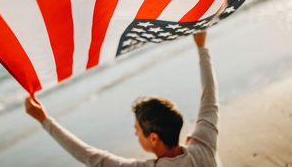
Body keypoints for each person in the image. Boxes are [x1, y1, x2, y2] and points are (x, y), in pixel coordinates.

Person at [25, 31, 219, 166]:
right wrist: (201, 47)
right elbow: (209, 97)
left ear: (153, 138)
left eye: (137, 130)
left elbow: (90, 157)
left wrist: (44, 120)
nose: (135, 134)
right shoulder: (203, 144)